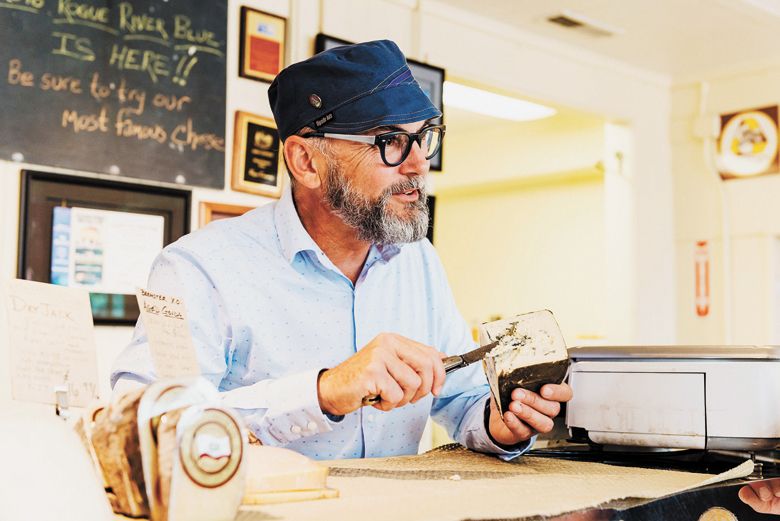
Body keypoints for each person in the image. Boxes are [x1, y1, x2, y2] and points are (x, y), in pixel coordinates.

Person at [111, 39, 572, 460]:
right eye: (389, 141)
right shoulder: (198, 268)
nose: (417, 165)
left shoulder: (418, 261)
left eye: (423, 136)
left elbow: (462, 398)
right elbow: (148, 425)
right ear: (306, 161)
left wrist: (502, 421)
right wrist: (324, 392)